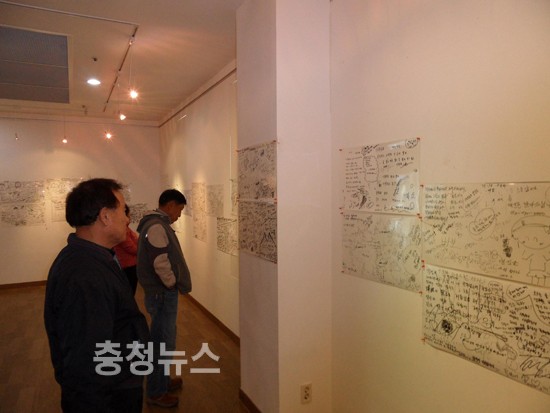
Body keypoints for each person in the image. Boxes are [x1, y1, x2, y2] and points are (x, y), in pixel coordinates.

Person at [44, 178, 149, 413]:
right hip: (108, 398)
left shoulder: (93, 259)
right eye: (122, 210)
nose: (127, 219)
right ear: (105, 216)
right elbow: (86, 363)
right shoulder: (84, 275)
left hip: (117, 385)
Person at [137, 189, 192, 408]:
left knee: (164, 339)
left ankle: (162, 381)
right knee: (162, 342)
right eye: (179, 209)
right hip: (161, 293)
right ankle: (156, 392)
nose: (179, 214)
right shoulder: (157, 226)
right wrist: (171, 283)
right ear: (170, 205)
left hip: (159, 293)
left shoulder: (154, 224)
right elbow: (160, 262)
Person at [114, 205, 139, 294]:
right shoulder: (122, 230)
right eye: (128, 215)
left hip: (130, 264)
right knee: (129, 291)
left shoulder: (126, 228)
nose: (129, 218)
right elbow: (131, 248)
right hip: (128, 265)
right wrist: (142, 249)